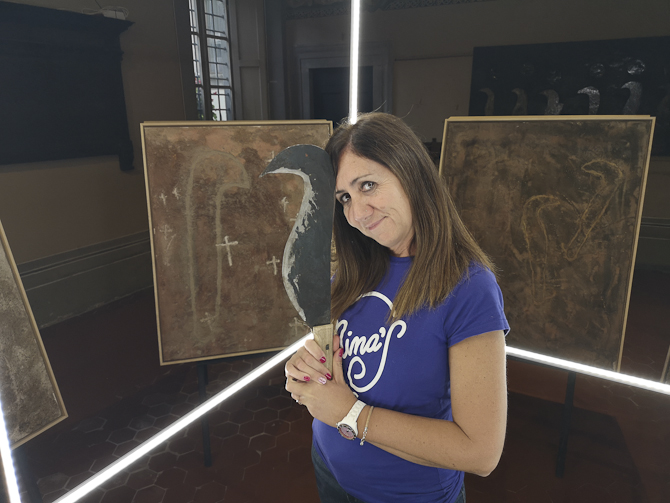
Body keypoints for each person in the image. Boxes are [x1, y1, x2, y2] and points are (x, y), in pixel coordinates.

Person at [285, 112, 509, 503]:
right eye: (345, 198)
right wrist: (308, 370)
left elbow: (481, 453)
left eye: (367, 185)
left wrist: (349, 414)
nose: (357, 214)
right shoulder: (354, 271)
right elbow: (337, 363)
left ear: (412, 173)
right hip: (330, 470)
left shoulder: (469, 287)